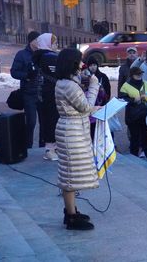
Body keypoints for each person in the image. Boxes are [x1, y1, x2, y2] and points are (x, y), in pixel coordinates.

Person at [54, 48, 101, 231]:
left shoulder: (66, 82)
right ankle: (71, 217)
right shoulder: (69, 85)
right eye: (80, 61)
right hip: (71, 131)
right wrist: (94, 85)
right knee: (70, 175)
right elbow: (85, 106)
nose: (83, 65)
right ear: (72, 64)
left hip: (72, 128)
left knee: (70, 173)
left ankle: (71, 211)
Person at [10, 30, 41, 148]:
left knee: (44, 122)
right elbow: (14, 72)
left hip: (42, 92)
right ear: (31, 41)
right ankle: (28, 146)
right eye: (37, 40)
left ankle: (44, 146)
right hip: (29, 93)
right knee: (31, 122)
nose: (39, 42)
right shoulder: (22, 54)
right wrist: (27, 75)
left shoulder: (42, 54)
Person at [33, 33, 60, 161]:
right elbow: (59, 73)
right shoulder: (49, 57)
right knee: (52, 120)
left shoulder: (39, 56)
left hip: (42, 94)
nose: (57, 45)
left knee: (47, 121)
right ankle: (50, 149)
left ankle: (51, 148)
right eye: (54, 43)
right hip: (50, 93)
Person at [119, 66, 147, 158]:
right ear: (132, 75)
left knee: (146, 136)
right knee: (134, 137)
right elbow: (122, 99)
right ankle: (133, 157)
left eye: (141, 73)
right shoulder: (126, 86)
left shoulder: (146, 84)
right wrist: (134, 100)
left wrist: (145, 97)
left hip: (144, 114)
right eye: (137, 74)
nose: (139, 75)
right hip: (132, 115)